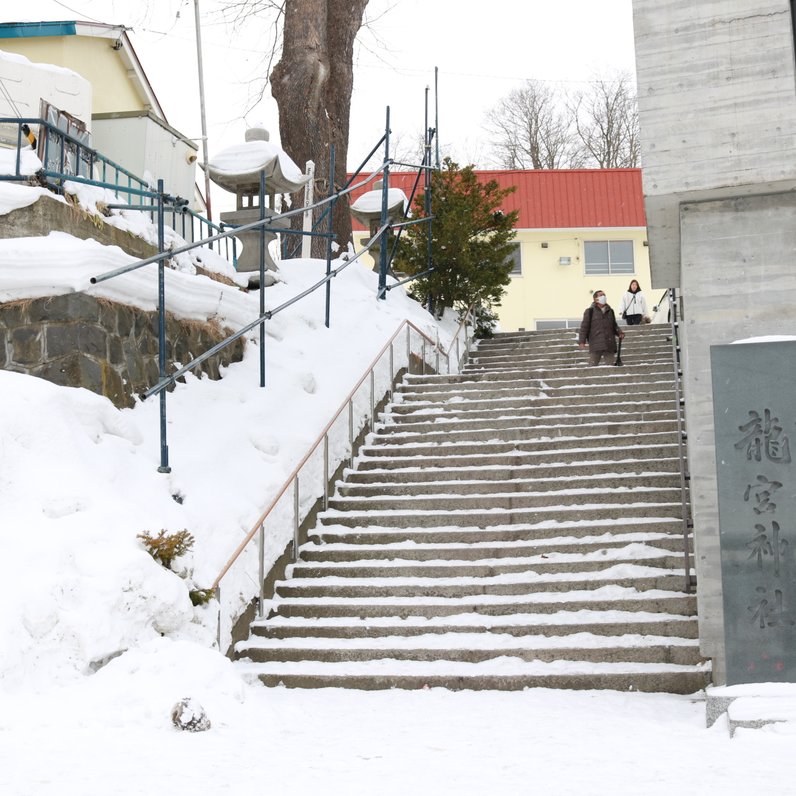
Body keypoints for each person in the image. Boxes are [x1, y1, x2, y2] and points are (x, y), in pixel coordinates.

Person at [578, 289, 624, 366]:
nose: (603, 297)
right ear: (595, 299)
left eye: (604, 295)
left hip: (609, 344)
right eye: (601, 295)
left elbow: (614, 325)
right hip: (596, 344)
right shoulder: (590, 311)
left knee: (610, 369)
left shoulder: (610, 311)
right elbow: (584, 327)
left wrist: (619, 332)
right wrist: (582, 341)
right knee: (592, 368)